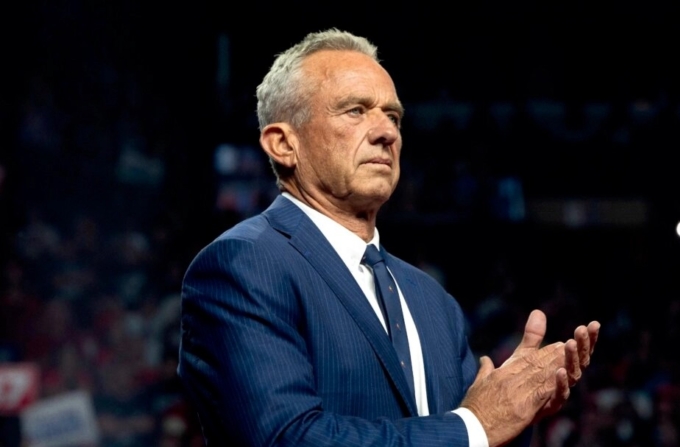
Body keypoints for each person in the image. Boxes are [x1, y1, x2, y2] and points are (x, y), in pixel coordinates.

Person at [177, 28, 600, 447]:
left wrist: (516, 415)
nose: (387, 133)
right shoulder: (244, 265)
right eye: (355, 110)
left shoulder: (434, 302)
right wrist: (477, 426)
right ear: (284, 144)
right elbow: (285, 438)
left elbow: (472, 435)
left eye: (393, 116)